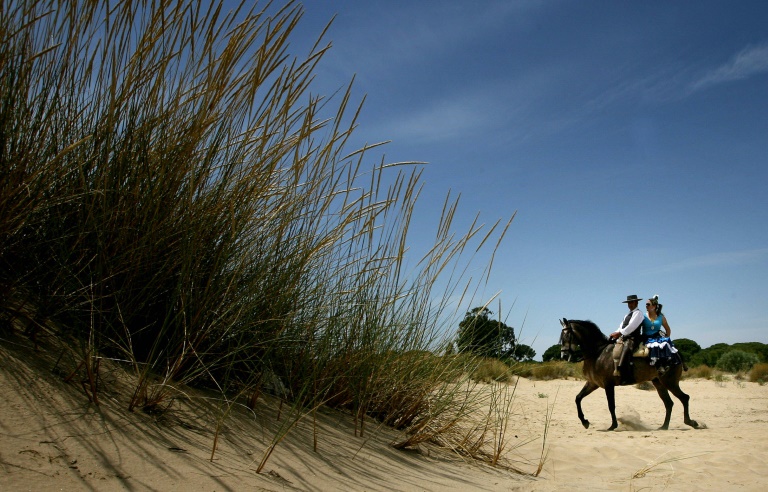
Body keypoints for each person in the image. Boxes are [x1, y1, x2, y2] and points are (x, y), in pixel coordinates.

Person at [609, 294, 644, 384]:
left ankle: (625, 374)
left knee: (626, 349)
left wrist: (620, 333)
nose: (630, 304)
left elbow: (631, 327)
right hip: (624, 336)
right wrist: (615, 333)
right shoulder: (627, 314)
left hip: (633, 338)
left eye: (632, 302)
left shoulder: (638, 313)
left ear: (636, 302)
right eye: (629, 303)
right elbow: (621, 326)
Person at [642, 295, 682, 373]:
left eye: (648, 304)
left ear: (654, 306)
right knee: (654, 346)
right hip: (646, 338)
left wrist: (667, 337)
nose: (646, 306)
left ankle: (671, 365)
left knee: (666, 344)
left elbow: (668, 329)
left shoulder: (661, 317)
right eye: (646, 304)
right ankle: (656, 365)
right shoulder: (643, 316)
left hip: (657, 337)